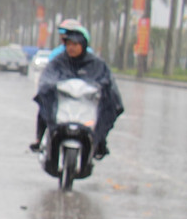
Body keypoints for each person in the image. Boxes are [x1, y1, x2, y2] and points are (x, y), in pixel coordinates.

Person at [31, 19, 124, 157]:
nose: (71, 47)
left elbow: (106, 81)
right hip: (63, 102)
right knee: (45, 100)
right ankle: (40, 138)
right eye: (68, 43)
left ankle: (99, 140)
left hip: (86, 103)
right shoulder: (58, 58)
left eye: (75, 44)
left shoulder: (96, 63)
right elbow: (48, 76)